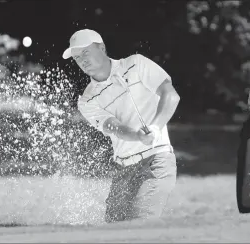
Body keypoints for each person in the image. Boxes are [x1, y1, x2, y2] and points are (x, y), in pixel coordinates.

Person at [62, 29, 181, 223]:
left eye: (85, 52)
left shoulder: (136, 64)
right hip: (123, 170)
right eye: (76, 57)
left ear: (102, 48)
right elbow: (112, 127)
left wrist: (156, 128)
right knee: (114, 232)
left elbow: (170, 95)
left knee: (140, 225)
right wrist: (137, 135)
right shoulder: (87, 100)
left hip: (156, 160)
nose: (82, 60)